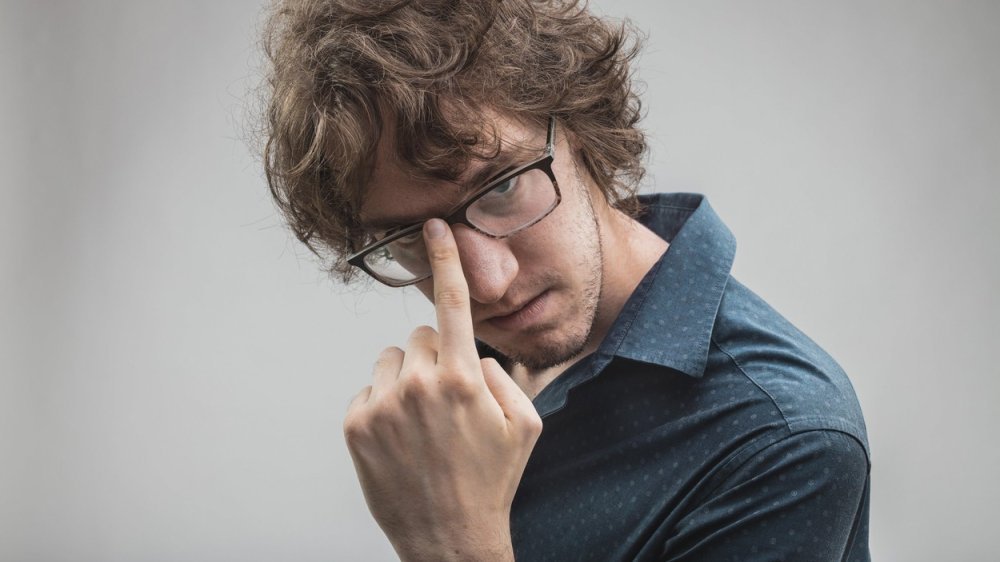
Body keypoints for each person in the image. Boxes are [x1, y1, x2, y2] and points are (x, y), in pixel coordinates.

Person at [259, 0, 871, 560]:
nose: (488, 284)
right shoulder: (451, 394)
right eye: (412, 236)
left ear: (578, 125)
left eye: (502, 187)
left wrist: (454, 548)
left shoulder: (784, 438)